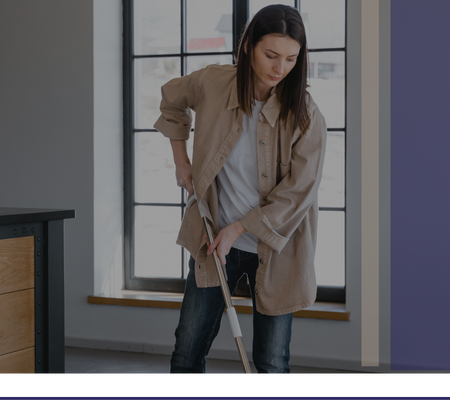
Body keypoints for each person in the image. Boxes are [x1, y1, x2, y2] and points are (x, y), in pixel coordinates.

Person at [153, 4, 327, 376]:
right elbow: (171, 101)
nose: (280, 68)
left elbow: (298, 193)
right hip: (213, 240)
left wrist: (239, 228)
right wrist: (181, 160)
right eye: (271, 55)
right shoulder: (212, 82)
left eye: (291, 58)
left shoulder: (306, 115)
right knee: (187, 351)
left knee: (271, 363)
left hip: (276, 247)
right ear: (247, 46)